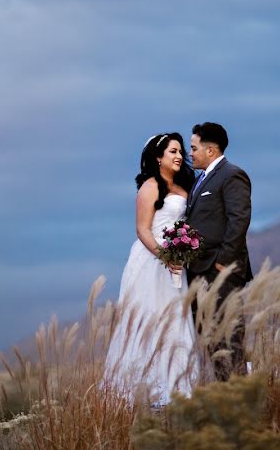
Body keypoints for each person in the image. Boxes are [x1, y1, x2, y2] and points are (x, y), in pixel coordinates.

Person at [103, 132, 197, 405]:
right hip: (151, 261)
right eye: (173, 151)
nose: (180, 156)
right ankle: (146, 388)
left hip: (177, 262)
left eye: (181, 151)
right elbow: (142, 229)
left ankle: (179, 384)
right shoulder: (150, 187)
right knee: (151, 315)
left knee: (176, 318)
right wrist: (165, 256)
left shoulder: (184, 187)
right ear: (158, 157)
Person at [186, 122, 253, 381]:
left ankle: (237, 395)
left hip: (220, 272)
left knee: (229, 337)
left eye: (193, 148)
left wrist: (223, 261)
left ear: (211, 150)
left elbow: (240, 219)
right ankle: (224, 397)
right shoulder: (199, 180)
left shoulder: (232, 175)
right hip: (200, 273)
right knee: (212, 339)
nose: (189, 153)